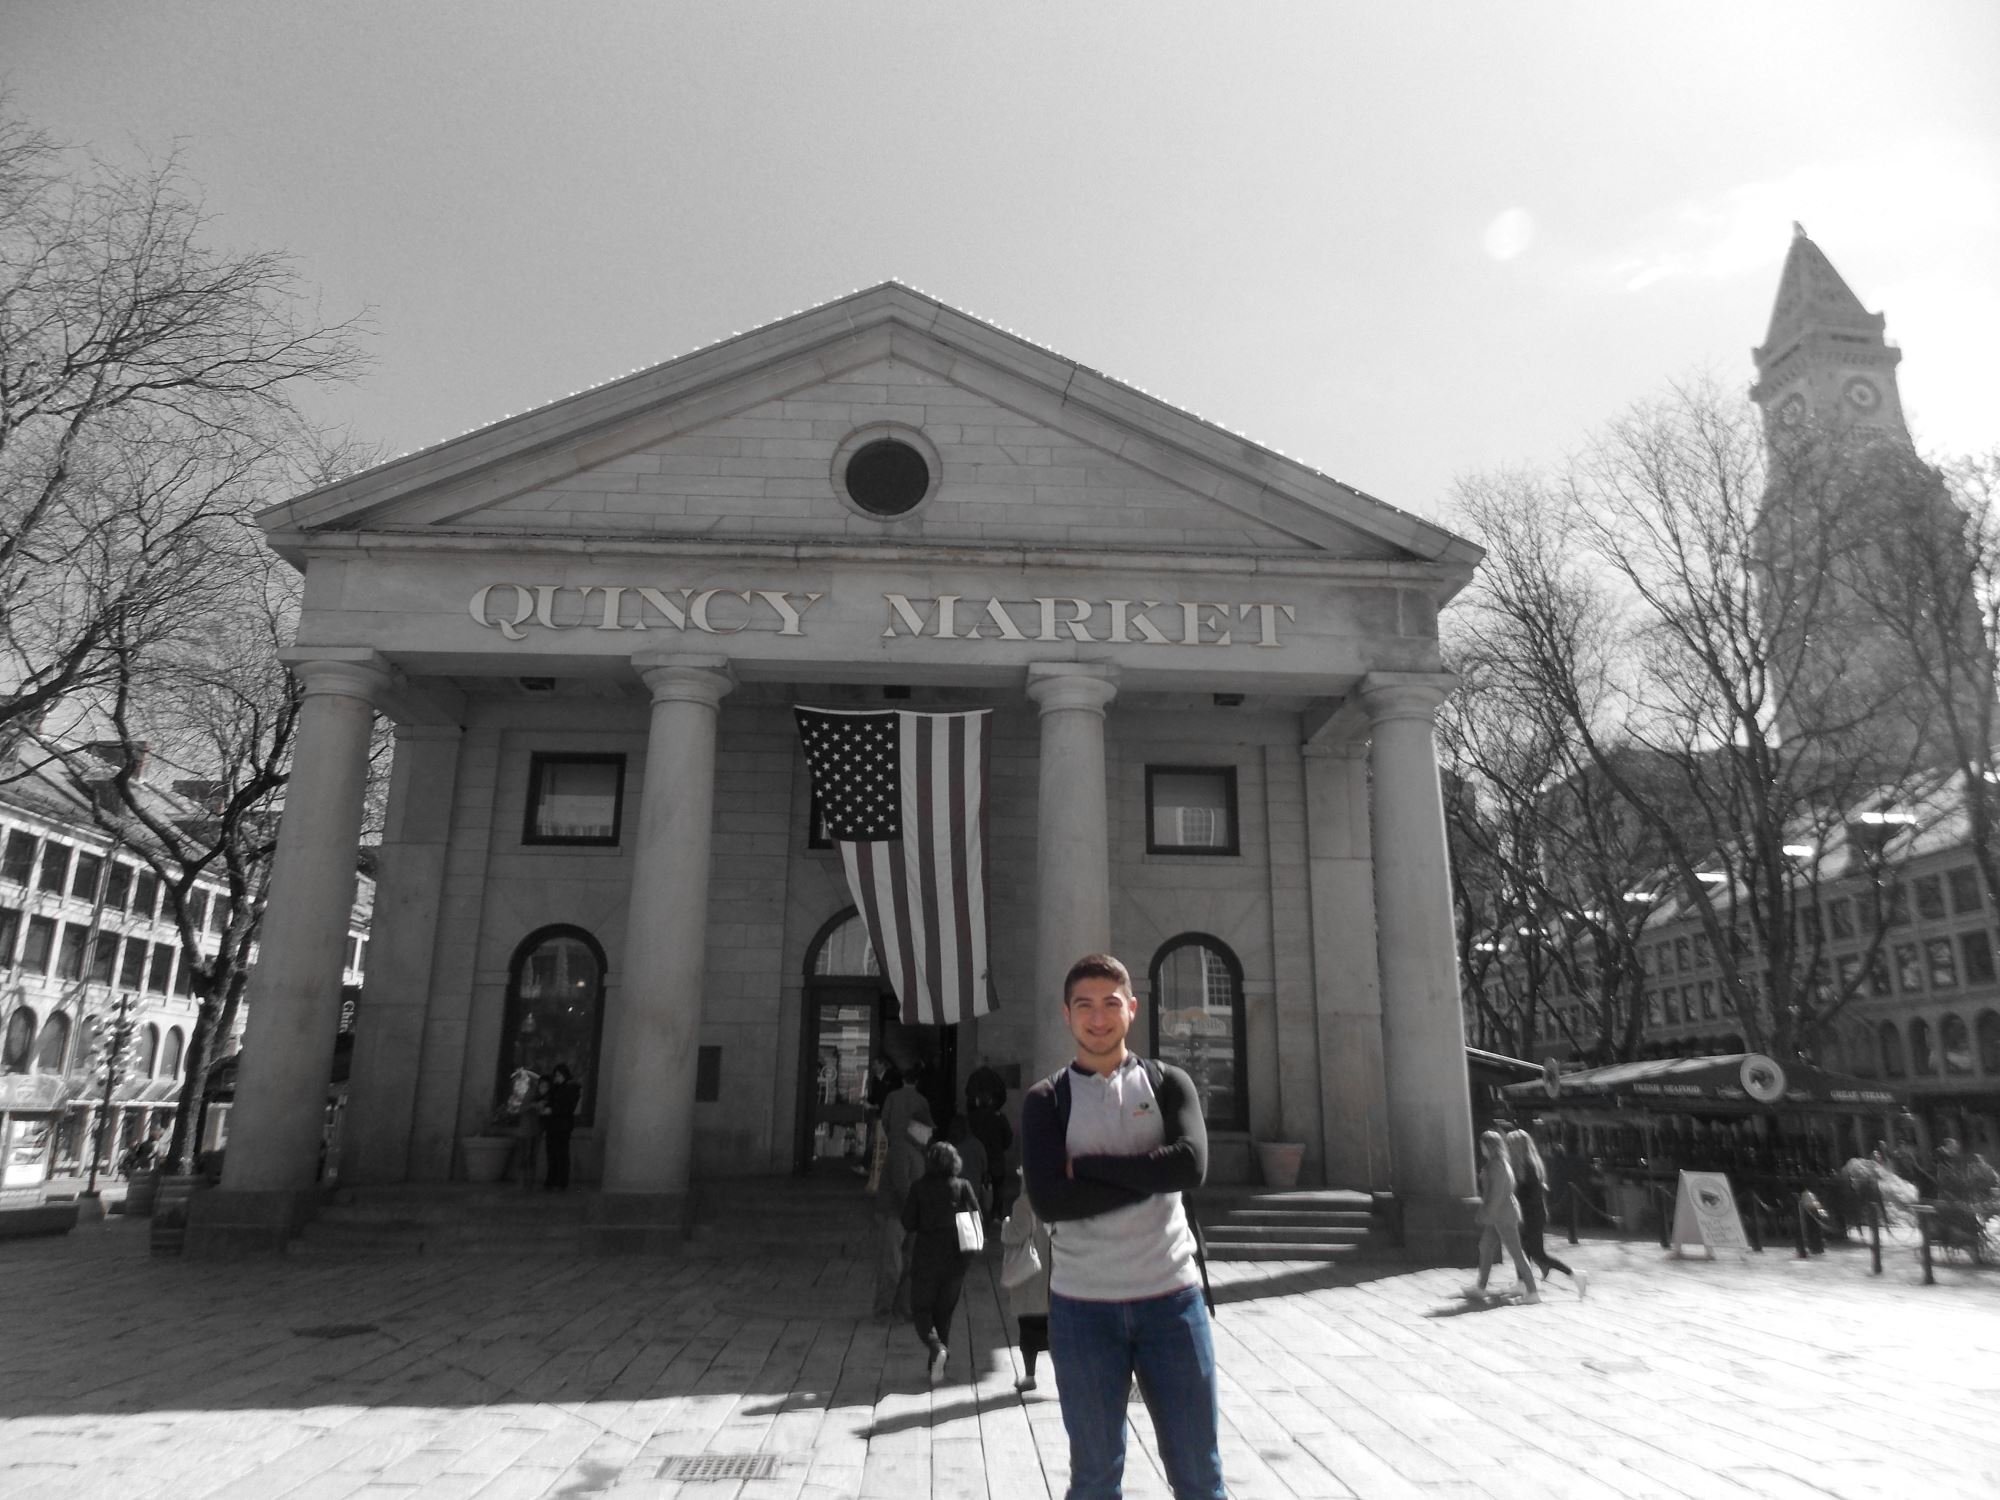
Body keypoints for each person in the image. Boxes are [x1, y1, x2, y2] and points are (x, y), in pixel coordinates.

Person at [1022, 952, 1224, 1500]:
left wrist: (1087, 1168)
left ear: (1132, 1009)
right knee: (1093, 1479)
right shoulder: (1047, 1101)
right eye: (1084, 1005)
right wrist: (1150, 1174)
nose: (1098, 1018)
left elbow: (1191, 1166)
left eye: (1110, 1004)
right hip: (1083, 1309)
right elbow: (1051, 1202)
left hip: (1172, 1302)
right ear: (1066, 1013)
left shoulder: (1168, 1083)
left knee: (1199, 1476)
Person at [901, 1139, 982, 1385]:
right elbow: (977, 1217)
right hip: (956, 1259)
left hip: (927, 1257)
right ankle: (937, 1369)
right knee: (944, 1313)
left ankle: (936, 1348)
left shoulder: (919, 1188)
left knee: (921, 1310)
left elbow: (908, 1222)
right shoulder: (963, 1186)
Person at [871, 1062, 932, 1318]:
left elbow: (885, 1121)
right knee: (894, 1263)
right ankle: (885, 1307)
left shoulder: (893, 1099)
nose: (930, 1135)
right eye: (927, 1130)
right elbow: (902, 1184)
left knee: (906, 1261)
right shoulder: (906, 1151)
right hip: (896, 1212)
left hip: (905, 1213)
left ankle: (901, 1307)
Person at [1505, 1128, 1584, 1297]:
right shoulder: (1524, 1165)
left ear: (1517, 1147)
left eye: (1510, 1144)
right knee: (1524, 1251)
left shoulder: (1527, 1167)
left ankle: (1574, 1274)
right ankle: (1522, 1282)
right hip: (1529, 1214)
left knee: (1538, 1254)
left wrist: (1521, 1216)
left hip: (1531, 1216)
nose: (1508, 1147)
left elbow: (1529, 1197)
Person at [1466, 1129, 1539, 1304]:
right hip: (1501, 1214)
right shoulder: (1499, 1163)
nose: (1481, 1149)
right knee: (1486, 1246)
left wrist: (1485, 1214)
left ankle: (1533, 1292)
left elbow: (1496, 1195)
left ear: (1488, 1146)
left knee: (1516, 1253)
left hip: (1502, 1215)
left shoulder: (1497, 1166)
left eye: (1483, 1145)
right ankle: (1481, 1287)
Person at [1000, 1168, 1054, 1394]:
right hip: (1053, 1272)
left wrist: (1005, 1224)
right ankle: (1064, 1378)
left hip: (1031, 1274)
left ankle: (1030, 1376)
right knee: (1055, 1332)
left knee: (1029, 1328)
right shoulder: (1055, 1199)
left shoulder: (1024, 1203)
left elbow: (1014, 1234)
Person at [542, 1064, 580, 1190]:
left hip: (562, 1126)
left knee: (561, 1153)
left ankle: (561, 1180)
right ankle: (552, 1178)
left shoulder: (570, 1089)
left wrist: (553, 1110)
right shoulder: (555, 1088)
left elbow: (568, 1106)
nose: (557, 1078)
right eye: (556, 1075)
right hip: (553, 1125)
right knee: (552, 1153)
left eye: (559, 1075)